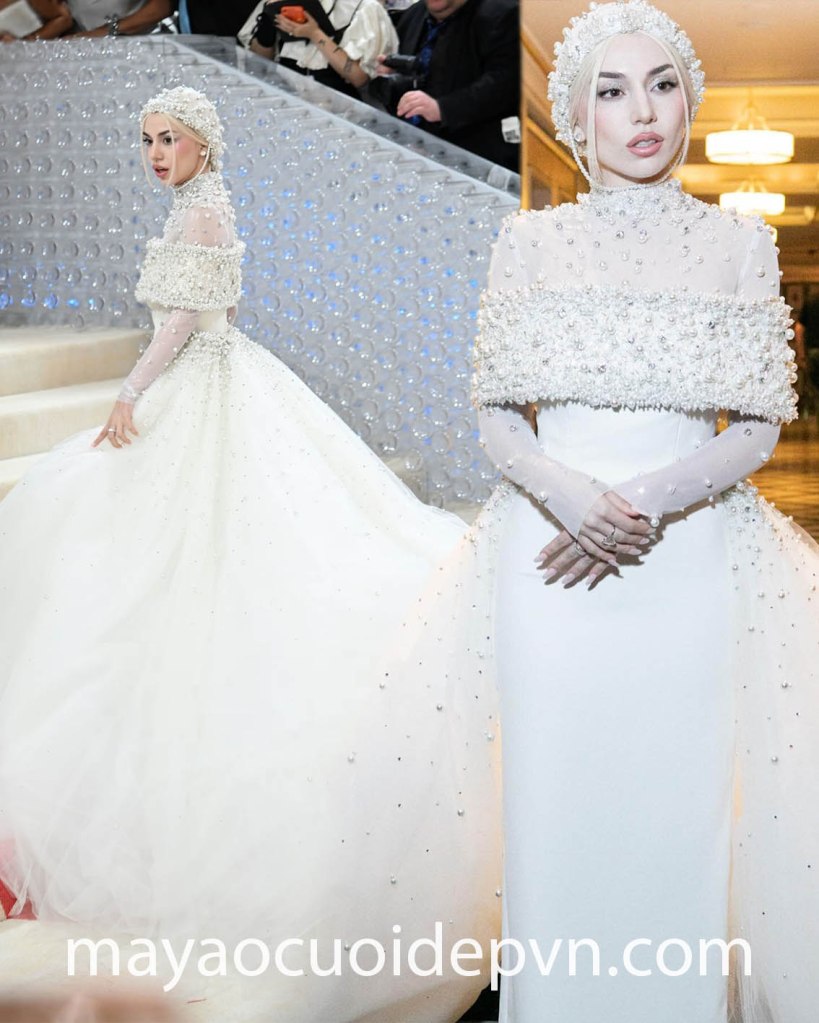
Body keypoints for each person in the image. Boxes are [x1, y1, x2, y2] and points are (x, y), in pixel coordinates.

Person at [0, 87, 501, 1021]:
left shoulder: (201, 210)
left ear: (203, 144)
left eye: (170, 139)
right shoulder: (199, 203)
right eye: (146, 140)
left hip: (200, 381)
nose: (156, 153)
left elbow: (182, 322)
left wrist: (129, 392)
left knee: (187, 536)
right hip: (213, 377)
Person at [470, 1, 819, 1020]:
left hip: (690, 557)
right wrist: (575, 499)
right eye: (613, 91)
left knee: (680, 806)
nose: (643, 112)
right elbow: (495, 418)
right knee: (557, 800)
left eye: (662, 85)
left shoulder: (741, 243)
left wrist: (642, 506)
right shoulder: (528, 241)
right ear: (577, 116)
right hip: (548, 555)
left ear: (689, 102)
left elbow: (759, 425)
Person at [372, 0, 520, 171]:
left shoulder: (503, 13)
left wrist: (442, 109)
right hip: (416, 153)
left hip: (479, 159)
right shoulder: (415, 14)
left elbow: (503, 85)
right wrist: (393, 74)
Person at [238, 0, 398, 98]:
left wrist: (314, 34)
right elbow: (258, 63)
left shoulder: (365, 7)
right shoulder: (281, 2)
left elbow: (359, 77)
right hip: (285, 101)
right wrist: (268, 21)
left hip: (338, 111)